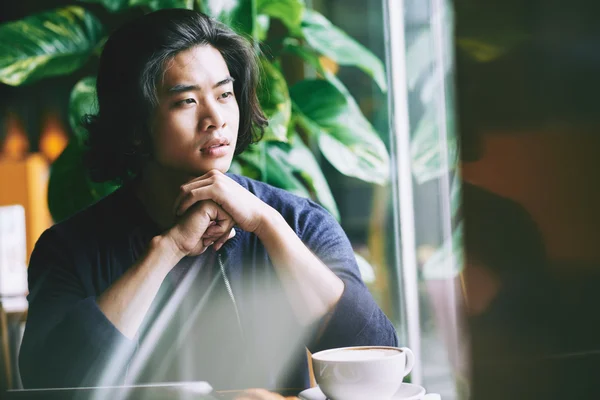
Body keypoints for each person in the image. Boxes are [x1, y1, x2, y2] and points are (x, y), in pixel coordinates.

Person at [19, 8, 397, 392]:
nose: (216, 118)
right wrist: (167, 250)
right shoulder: (71, 248)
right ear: (135, 126)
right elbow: (51, 380)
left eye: (224, 93)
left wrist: (267, 227)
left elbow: (375, 359)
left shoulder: (297, 222)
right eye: (186, 101)